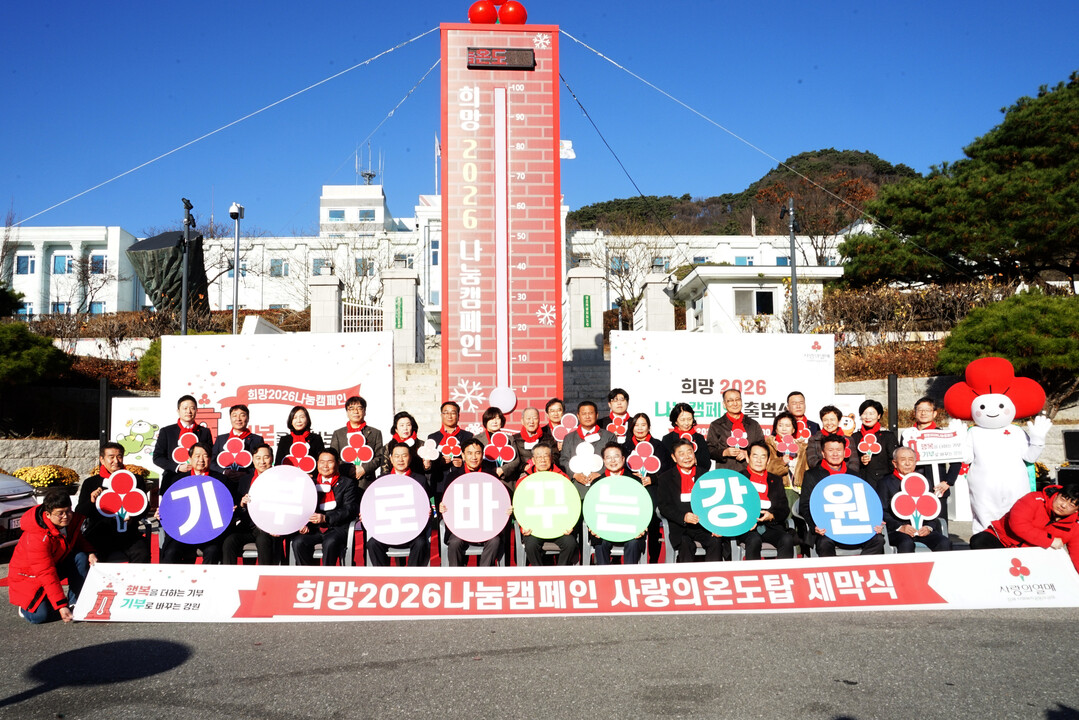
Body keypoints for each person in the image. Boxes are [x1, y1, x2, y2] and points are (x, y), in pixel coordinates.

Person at [9, 488, 97, 624]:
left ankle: (75, 602)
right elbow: (46, 572)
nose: (66, 516)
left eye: (68, 511)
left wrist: (90, 552)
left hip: (55, 564)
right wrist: (61, 605)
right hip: (30, 577)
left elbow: (77, 539)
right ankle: (25, 607)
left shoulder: (69, 521)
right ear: (48, 515)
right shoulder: (36, 536)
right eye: (60, 513)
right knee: (39, 617)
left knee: (80, 557)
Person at [799, 435, 885, 557]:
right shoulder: (812, 475)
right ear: (823, 453)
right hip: (827, 530)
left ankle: (860, 571)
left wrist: (875, 521)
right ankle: (833, 574)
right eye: (831, 450)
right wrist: (814, 527)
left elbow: (866, 502)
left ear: (845, 452)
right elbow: (805, 505)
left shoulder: (855, 476)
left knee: (878, 540)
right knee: (824, 543)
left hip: (854, 527)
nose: (835, 454)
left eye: (839, 450)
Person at [970, 483, 1079, 574]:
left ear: (1076, 511)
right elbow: (1018, 525)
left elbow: (1077, 554)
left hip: (1031, 556)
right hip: (1001, 539)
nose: (1063, 505)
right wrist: (1049, 540)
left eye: (1071, 505)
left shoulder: (1074, 526)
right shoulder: (1034, 499)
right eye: (1063, 499)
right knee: (979, 541)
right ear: (1057, 495)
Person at [76, 441, 151, 563]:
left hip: (128, 533)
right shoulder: (91, 483)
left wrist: (132, 517)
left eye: (119, 456)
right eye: (111, 457)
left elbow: (145, 507)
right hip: (99, 533)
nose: (116, 461)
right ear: (102, 459)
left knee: (142, 553)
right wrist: (91, 501)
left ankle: (134, 583)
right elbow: (80, 512)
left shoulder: (136, 480)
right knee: (92, 559)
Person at [440, 438, 509, 566]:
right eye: (470, 453)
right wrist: (443, 507)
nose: (474, 457)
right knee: (455, 543)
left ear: (482, 455)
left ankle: (483, 576)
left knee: (495, 541)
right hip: (460, 527)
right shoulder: (453, 477)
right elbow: (446, 501)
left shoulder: (491, 476)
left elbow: (499, 502)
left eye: (477, 453)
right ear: (463, 455)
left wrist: (506, 509)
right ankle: (456, 579)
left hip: (487, 526)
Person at [159, 442, 231, 564]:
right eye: (197, 456)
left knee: (212, 551)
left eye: (205, 456)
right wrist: (161, 513)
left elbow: (228, 507)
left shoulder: (221, 481)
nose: (201, 460)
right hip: (183, 533)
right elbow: (170, 508)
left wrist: (230, 509)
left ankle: (205, 583)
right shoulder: (177, 480)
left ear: (210, 458)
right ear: (190, 459)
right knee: (171, 552)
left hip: (210, 533)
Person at [364, 441, 432, 567]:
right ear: (390, 459)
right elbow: (372, 506)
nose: (400, 459)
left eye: (404, 456)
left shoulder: (420, 480)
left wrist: (428, 512)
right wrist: (366, 515)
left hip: (412, 531)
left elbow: (428, 504)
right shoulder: (381, 481)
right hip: (387, 531)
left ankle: (411, 579)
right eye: (396, 456)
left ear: (410, 458)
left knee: (421, 544)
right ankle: (384, 579)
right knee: (372, 543)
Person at [656, 438, 722, 562]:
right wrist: (683, 517)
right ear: (674, 457)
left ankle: (713, 576)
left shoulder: (705, 475)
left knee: (716, 541)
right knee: (685, 543)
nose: (686, 457)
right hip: (680, 527)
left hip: (704, 526)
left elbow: (714, 503)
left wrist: (714, 525)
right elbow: (664, 506)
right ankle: (688, 579)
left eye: (689, 452)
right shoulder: (665, 478)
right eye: (681, 454)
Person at [291, 448, 359, 566]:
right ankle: (307, 576)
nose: (325, 465)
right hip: (314, 529)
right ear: (317, 464)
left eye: (330, 462)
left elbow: (349, 509)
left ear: (337, 463)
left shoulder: (348, 483)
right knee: (298, 542)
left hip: (337, 529)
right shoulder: (310, 482)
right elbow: (301, 506)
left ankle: (327, 577)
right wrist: (303, 523)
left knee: (330, 542)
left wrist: (326, 518)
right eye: (322, 462)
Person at [879, 447, 952, 553]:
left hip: (922, 530)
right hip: (898, 531)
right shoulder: (885, 483)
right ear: (895, 463)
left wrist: (928, 527)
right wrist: (900, 527)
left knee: (944, 542)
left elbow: (931, 509)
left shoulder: (924, 481)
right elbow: (882, 511)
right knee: (906, 543)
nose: (908, 463)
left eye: (911, 460)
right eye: (903, 460)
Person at [223, 444, 285, 565]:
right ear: (252, 459)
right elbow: (238, 510)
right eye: (258, 458)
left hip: (269, 528)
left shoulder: (280, 479)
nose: (262, 461)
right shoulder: (245, 480)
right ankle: (228, 578)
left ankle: (265, 579)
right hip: (248, 526)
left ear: (272, 458)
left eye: (266, 457)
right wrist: (241, 504)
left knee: (263, 539)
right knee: (230, 541)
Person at [518, 443, 578, 566]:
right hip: (534, 528)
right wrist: (523, 526)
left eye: (546, 456)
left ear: (551, 458)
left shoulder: (562, 478)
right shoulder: (524, 480)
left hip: (559, 527)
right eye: (539, 457)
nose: (543, 460)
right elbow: (519, 506)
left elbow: (572, 503)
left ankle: (559, 574)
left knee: (570, 543)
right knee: (531, 545)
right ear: (533, 460)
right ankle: (540, 574)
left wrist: (570, 524)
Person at [587, 443, 647, 565]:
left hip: (630, 529)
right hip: (604, 529)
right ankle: (605, 580)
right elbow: (591, 508)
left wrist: (642, 526)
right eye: (608, 457)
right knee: (600, 543)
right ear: (604, 461)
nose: (613, 461)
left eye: (616, 457)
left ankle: (630, 579)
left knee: (634, 543)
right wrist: (592, 526)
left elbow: (643, 507)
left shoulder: (635, 481)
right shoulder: (597, 483)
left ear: (623, 459)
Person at [622, 412, 669, 563]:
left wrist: (653, 478)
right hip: (631, 491)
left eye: (644, 425)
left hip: (653, 489)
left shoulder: (659, 445)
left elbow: (667, 469)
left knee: (653, 521)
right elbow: (620, 469)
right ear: (631, 427)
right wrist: (632, 475)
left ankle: (654, 559)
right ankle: (634, 558)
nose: (640, 428)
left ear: (649, 427)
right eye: (636, 425)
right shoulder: (625, 446)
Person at [734, 442, 795, 559]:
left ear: (768, 461)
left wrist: (771, 515)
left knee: (786, 539)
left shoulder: (776, 480)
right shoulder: (738, 479)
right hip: (747, 529)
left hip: (771, 526)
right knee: (754, 540)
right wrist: (745, 522)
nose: (759, 460)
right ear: (747, 458)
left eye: (763, 457)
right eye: (755, 456)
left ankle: (783, 575)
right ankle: (753, 576)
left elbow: (783, 509)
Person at [900, 396, 960, 515]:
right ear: (915, 412)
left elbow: (956, 460)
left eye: (927, 410)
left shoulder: (943, 434)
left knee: (938, 524)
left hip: (937, 486)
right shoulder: (908, 435)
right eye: (920, 410)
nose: (923, 413)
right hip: (912, 485)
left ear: (934, 413)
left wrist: (948, 482)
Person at [153, 394, 213, 493]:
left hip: (199, 480)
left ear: (196, 410)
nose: (188, 411)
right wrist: (178, 467)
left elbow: (210, 455)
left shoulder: (204, 432)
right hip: (173, 479)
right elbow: (157, 457)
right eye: (185, 408)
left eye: (192, 408)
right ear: (178, 411)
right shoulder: (167, 431)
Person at [706, 388, 765, 476]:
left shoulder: (753, 425)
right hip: (726, 472)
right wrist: (724, 452)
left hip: (750, 472)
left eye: (737, 399)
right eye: (730, 400)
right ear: (724, 404)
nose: (735, 403)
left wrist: (748, 453)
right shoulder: (716, 425)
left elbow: (762, 446)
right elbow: (709, 450)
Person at [329, 396, 383, 489]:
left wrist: (364, 469)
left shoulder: (375, 433)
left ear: (364, 411)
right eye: (351, 408)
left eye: (359, 408)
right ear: (347, 412)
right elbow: (333, 457)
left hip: (367, 481)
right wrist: (349, 469)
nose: (355, 411)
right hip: (344, 481)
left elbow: (380, 456)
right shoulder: (338, 433)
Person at [426, 401, 474, 498]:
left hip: (462, 480)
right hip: (440, 483)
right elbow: (429, 463)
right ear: (441, 415)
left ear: (458, 416)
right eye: (446, 413)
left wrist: (463, 463)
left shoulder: (468, 436)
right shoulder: (433, 438)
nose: (449, 416)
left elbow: (473, 457)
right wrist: (440, 462)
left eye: (453, 413)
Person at [850, 399, 899, 490]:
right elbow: (849, 461)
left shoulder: (888, 436)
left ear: (879, 416)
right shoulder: (854, 437)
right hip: (861, 482)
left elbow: (893, 461)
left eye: (872, 413)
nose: (868, 417)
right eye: (864, 413)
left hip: (883, 483)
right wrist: (860, 460)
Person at [559, 401, 616, 479]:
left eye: (590, 413)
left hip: (602, 479)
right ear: (578, 416)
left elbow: (614, 459)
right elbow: (563, 460)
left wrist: (600, 474)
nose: (587, 417)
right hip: (577, 482)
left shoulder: (609, 436)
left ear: (597, 415)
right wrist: (574, 474)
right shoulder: (569, 438)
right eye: (584, 414)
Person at [210, 404, 262, 482]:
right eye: (234, 415)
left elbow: (260, 464)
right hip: (224, 482)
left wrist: (245, 474)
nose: (238, 419)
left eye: (242, 415)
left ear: (248, 418)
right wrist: (224, 471)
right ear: (230, 418)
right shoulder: (221, 439)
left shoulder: (257, 440)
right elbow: (211, 462)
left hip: (247, 482)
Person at [805, 405, 861, 477]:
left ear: (839, 421)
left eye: (832, 419)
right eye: (825, 420)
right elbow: (812, 460)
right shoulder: (814, 439)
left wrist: (846, 475)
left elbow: (854, 462)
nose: (829, 423)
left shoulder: (848, 439)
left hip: (845, 477)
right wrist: (827, 472)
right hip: (822, 477)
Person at [477, 406, 522, 484]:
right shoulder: (477, 439)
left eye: (497, 418)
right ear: (486, 421)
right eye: (491, 419)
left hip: (506, 481)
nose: (495, 422)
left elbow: (516, 460)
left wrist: (503, 470)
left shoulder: (510, 439)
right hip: (484, 479)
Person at [662, 402, 711, 473]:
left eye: (689, 419)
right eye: (682, 420)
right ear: (675, 421)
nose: (687, 423)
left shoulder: (699, 438)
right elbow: (665, 464)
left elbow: (706, 463)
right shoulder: (668, 439)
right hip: (674, 479)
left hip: (696, 477)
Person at [274, 405, 326, 472]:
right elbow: (278, 464)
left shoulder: (316, 439)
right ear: (291, 421)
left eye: (302, 417)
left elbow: (322, 462)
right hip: (288, 478)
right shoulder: (284, 440)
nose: (298, 421)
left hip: (312, 479)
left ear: (307, 419)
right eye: (295, 417)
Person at [766, 411, 808, 487]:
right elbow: (767, 470)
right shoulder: (769, 446)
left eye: (788, 425)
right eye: (780, 425)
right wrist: (781, 462)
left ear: (793, 430)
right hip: (779, 488)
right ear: (775, 429)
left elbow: (807, 470)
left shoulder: (802, 448)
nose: (784, 429)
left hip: (799, 490)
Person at [389, 411, 427, 476]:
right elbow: (385, 469)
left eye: (408, 425)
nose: (405, 428)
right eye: (402, 425)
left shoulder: (421, 445)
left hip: (417, 480)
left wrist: (427, 466)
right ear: (396, 429)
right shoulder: (389, 446)